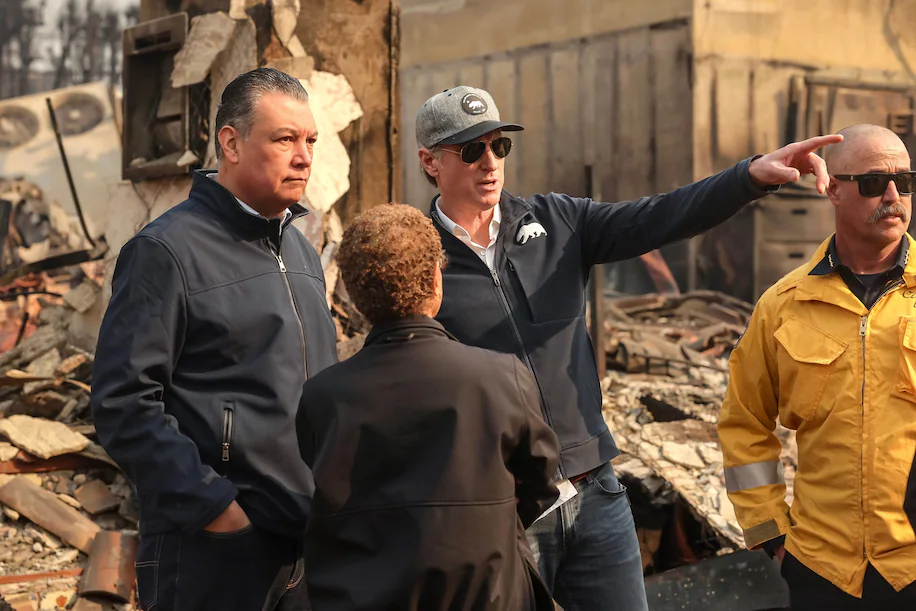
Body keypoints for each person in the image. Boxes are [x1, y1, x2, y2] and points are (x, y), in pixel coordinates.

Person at [414, 84, 842, 611]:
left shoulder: (557, 222)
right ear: (430, 162)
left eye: (499, 146)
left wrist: (748, 177)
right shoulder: (421, 259)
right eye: (471, 149)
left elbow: (661, 215)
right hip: (504, 508)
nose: (490, 163)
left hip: (595, 492)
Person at [91, 68, 338, 611]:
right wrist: (215, 508)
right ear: (230, 142)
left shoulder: (300, 253)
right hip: (212, 551)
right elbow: (122, 403)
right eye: (284, 139)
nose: (304, 156)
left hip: (304, 547)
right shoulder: (165, 251)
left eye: (310, 140)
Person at [296, 203, 561, 611]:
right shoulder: (501, 378)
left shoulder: (322, 397)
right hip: (489, 594)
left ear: (358, 297)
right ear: (436, 283)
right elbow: (539, 485)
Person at [719, 124, 916, 610]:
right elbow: (744, 425)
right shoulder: (783, 305)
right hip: (819, 571)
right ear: (831, 188)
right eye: (873, 183)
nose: (893, 196)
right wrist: (770, 536)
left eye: (905, 181)